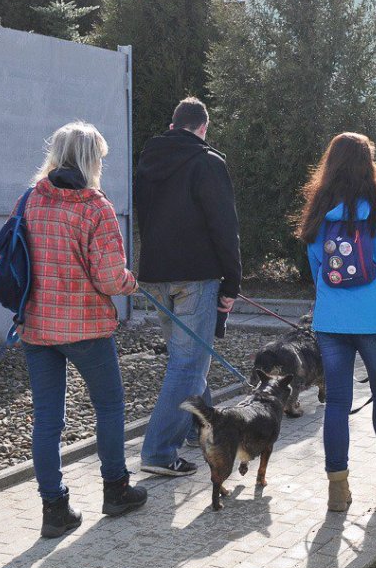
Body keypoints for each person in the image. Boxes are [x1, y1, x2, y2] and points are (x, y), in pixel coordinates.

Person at [20, 121, 147, 539]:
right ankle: (115, 489)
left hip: (37, 328)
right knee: (109, 407)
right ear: (92, 160)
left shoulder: (30, 200)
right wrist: (131, 282)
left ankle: (54, 510)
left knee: (46, 421)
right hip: (87, 328)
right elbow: (111, 278)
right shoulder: (95, 207)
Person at [298, 132, 376, 513]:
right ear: (369, 166)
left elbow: (317, 267)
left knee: (336, 401)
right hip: (373, 321)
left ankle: (337, 486)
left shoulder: (319, 211)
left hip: (331, 321)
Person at [135, 97, 242, 477]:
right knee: (188, 363)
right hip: (197, 276)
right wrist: (232, 282)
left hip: (156, 275)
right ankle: (158, 451)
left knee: (189, 360)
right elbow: (224, 228)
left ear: (172, 125)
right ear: (203, 128)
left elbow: (143, 220)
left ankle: (208, 428)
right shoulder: (208, 162)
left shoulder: (146, 163)